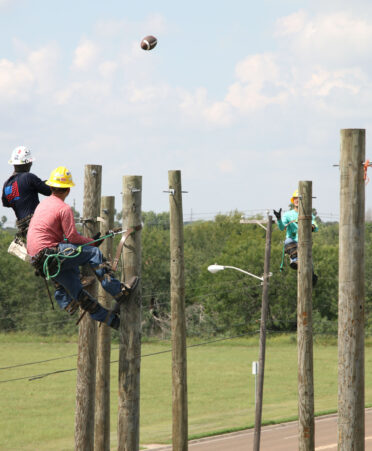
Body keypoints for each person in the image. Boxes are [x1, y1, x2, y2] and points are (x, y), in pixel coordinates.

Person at [27, 166, 138, 330]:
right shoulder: (64, 208)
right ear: (68, 190)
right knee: (93, 252)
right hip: (52, 254)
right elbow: (71, 237)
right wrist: (91, 242)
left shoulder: (43, 205)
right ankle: (117, 291)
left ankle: (112, 321)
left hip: (41, 262)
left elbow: (61, 236)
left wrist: (83, 241)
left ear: (50, 187)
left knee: (78, 293)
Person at [2, 146, 51, 242]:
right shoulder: (29, 177)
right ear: (29, 162)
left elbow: (6, 203)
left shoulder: (6, 185)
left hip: (23, 230)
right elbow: (48, 191)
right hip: (37, 225)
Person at [274, 189, 319, 286]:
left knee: (308, 267)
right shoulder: (288, 215)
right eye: (295, 198)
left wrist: (311, 226)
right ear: (293, 200)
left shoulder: (309, 215)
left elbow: (316, 227)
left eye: (298, 198)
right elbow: (282, 228)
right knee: (288, 241)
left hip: (305, 243)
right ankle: (295, 260)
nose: (296, 200)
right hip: (292, 243)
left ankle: (311, 276)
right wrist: (279, 219)